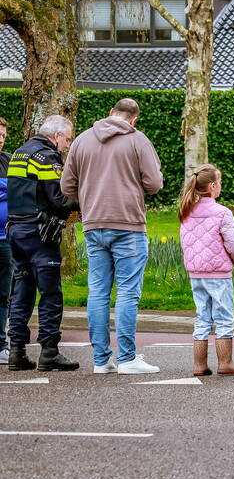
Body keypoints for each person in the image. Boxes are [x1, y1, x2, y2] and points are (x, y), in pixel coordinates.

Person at [61, 98, 164, 375]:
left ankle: (101, 359)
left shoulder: (82, 140)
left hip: (94, 223)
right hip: (128, 223)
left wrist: (89, 194)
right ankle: (128, 358)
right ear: (134, 119)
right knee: (128, 292)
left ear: (110, 113)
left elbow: (67, 185)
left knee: (98, 292)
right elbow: (154, 184)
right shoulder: (138, 140)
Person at [6, 115, 79, 371]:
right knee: (50, 292)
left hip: (16, 230)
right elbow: (58, 198)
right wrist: (81, 206)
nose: (67, 145)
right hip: (40, 234)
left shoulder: (18, 153)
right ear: (57, 135)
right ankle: (49, 351)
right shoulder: (46, 157)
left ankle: (16, 351)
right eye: (67, 139)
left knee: (21, 291)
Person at [179, 164, 234, 376]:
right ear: (212, 186)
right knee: (224, 317)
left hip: (196, 274)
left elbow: (186, 242)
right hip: (218, 274)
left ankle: (199, 366)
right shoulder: (222, 213)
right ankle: (225, 362)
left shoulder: (186, 211)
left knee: (202, 317)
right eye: (220, 183)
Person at [0, 118, 11, 365]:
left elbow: (22, 188)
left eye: (3, 135)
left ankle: (1, 344)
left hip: (6, 239)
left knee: (3, 294)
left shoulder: (9, 160)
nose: (0, 138)